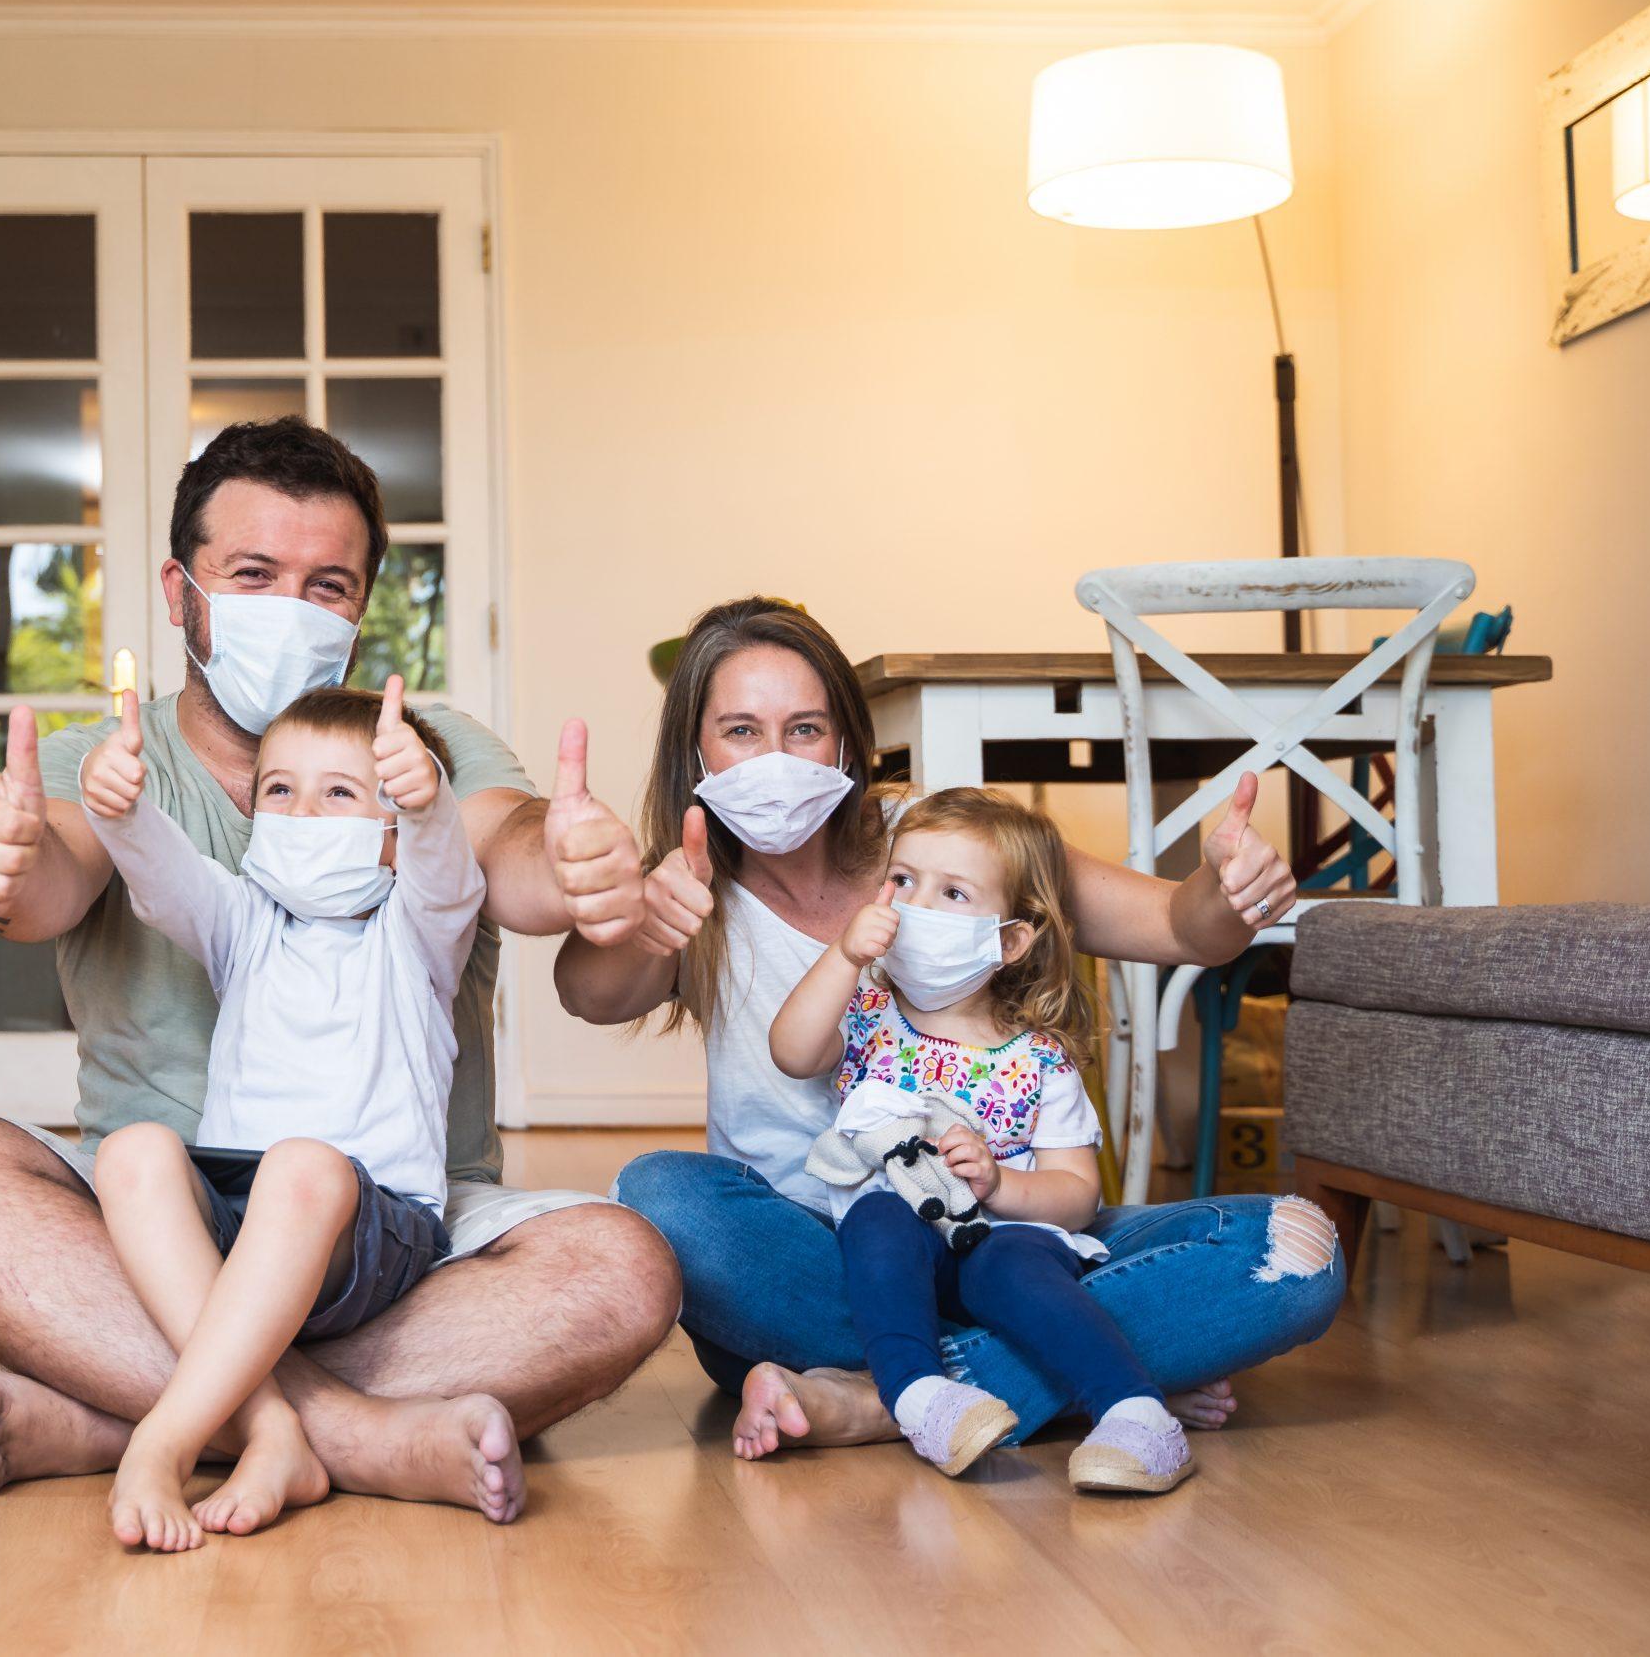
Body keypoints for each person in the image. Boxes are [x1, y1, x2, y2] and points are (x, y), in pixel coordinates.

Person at [0, 418, 677, 1520]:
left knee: (624, 1270)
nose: (291, 608)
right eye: (252, 574)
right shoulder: (107, 759)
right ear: (180, 590)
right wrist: (7, 859)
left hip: (398, 1233)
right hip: (157, 1228)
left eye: (327, 585)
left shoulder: (419, 752)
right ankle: (339, 1433)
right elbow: (66, 871)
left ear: (360, 608)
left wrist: (572, 859)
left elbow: (502, 851)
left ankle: (138, 1417)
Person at [560, 596, 1343, 1461]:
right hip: (819, 1255)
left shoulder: (942, 840)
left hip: (1004, 1238)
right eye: (741, 731)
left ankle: (888, 1396)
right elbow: (585, 993)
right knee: (663, 1198)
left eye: (805, 729)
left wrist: (1226, 889)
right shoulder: (686, 885)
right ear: (697, 750)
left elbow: (1180, 928)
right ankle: (1092, 1369)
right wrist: (645, 922)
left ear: (846, 744)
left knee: (1294, 1252)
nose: (776, 758)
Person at [83, 677, 517, 1549]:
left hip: (374, 1224)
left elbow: (446, 878)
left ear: (390, 833)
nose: (303, 813)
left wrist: (429, 803)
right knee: (131, 1152)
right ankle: (272, 1430)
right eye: (279, 789)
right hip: (244, 1216)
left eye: (340, 794)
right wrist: (119, 810)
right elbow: (166, 881)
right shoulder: (245, 921)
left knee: (301, 1165)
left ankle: (162, 1441)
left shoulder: (416, 933)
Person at [773, 788, 1195, 1494]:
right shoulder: (869, 1013)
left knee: (1011, 1265)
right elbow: (791, 1051)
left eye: (953, 892)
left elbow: (1077, 1194)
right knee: (876, 1216)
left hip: (1000, 1243)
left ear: (1009, 941)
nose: (916, 905)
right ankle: (920, 1396)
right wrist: (844, 956)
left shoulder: (1040, 1059)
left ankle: (1137, 1413)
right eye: (903, 880)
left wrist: (1002, 1184)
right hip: (896, 1249)